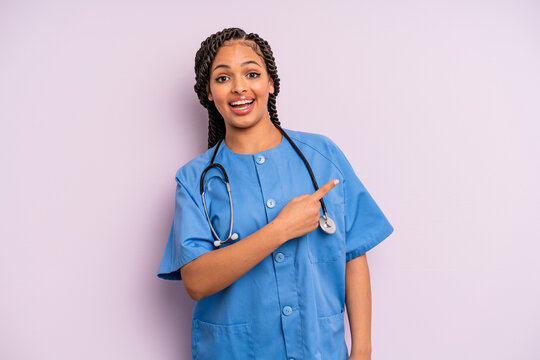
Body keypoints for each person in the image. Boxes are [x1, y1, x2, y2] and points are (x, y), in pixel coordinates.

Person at [157, 27, 394, 360]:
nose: (239, 87)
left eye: (252, 73)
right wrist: (281, 229)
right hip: (234, 352)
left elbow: (353, 256)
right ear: (208, 92)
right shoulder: (195, 179)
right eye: (223, 78)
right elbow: (196, 281)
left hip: (319, 350)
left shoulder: (322, 157)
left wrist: (363, 351)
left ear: (270, 83)